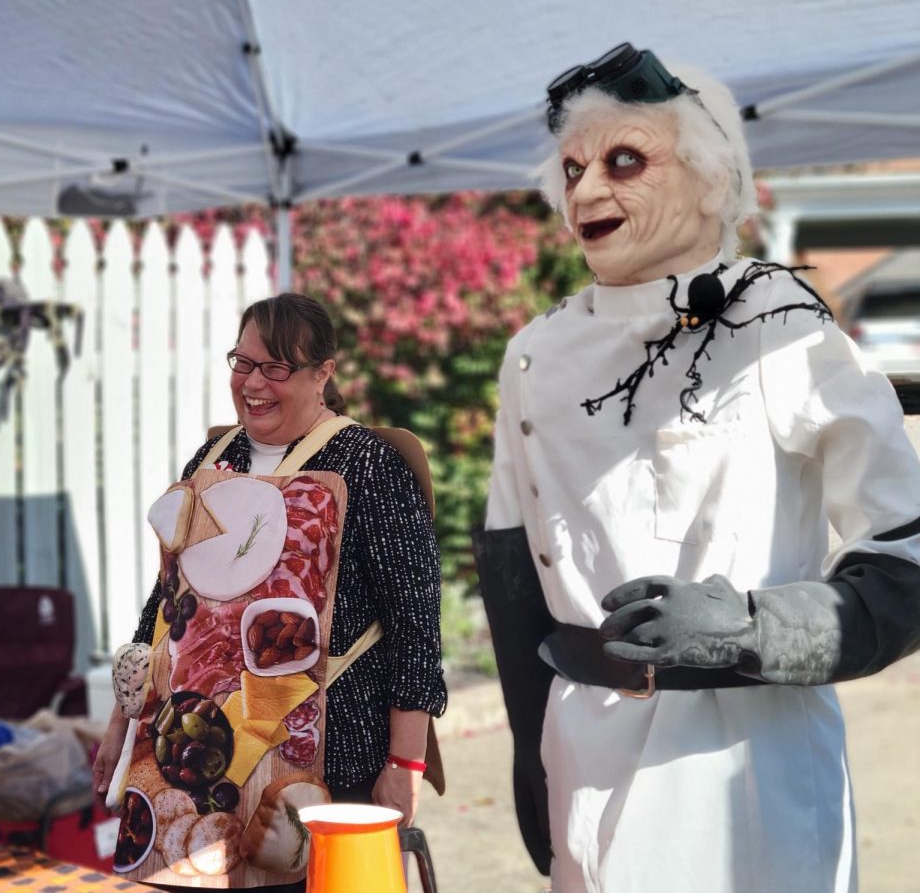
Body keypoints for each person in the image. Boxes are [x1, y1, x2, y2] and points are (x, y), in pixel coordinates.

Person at [477, 43, 920, 893]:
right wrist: (531, 749)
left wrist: (752, 627)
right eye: (572, 169)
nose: (586, 193)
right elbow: (513, 575)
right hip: (586, 754)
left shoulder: (780, 323)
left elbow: (907, 557)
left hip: (745, 766)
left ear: (712, 176)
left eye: (626, 160)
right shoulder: (535, 351)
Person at [94, 292, 447, 890]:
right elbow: (168, 605)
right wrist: (120, 727)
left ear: (324, 373)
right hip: (193, 752)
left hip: (329, 756)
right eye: (243, 363)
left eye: (277, 368)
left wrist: (404, 764)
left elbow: (415, 624)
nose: (254, 384)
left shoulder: (369, 466)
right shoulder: (213, 456)